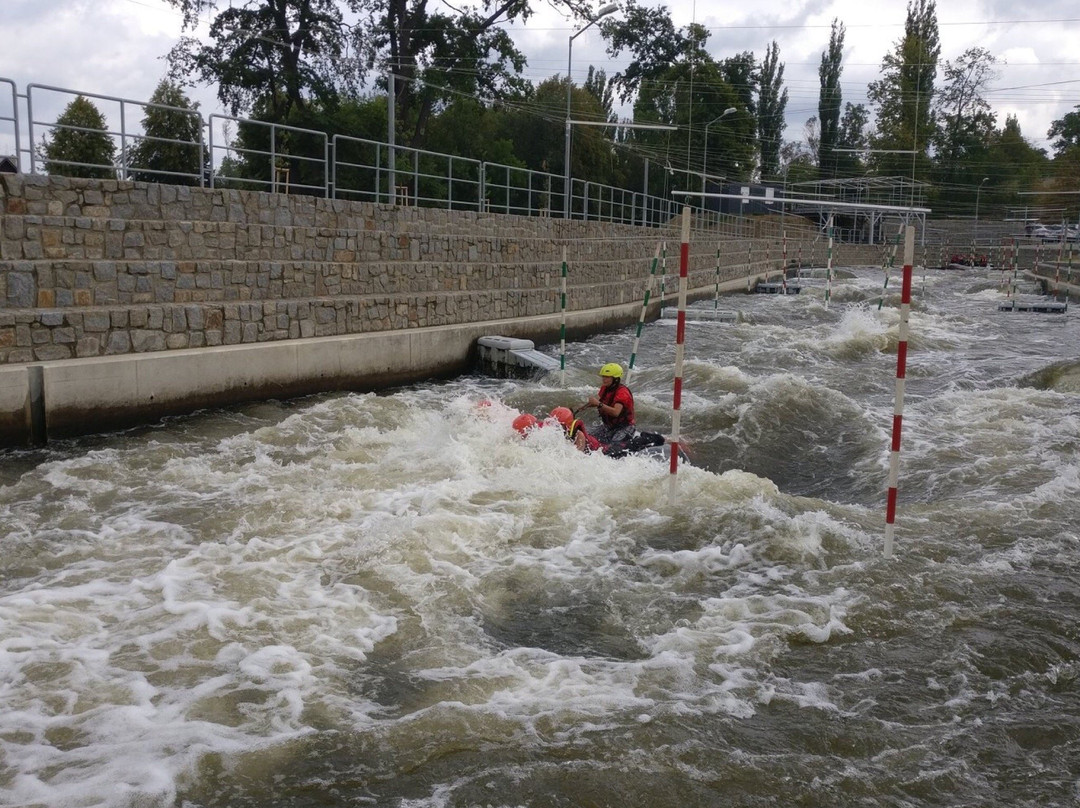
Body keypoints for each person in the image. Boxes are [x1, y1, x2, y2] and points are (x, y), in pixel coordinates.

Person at [586, 362, 635, 445]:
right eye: (603, 376)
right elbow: (598, 402)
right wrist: (582, 407)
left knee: (614, 447)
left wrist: (598, 404)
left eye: (607, 377)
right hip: (609, 426)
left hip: (624, 427)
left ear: (615, 379)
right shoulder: (605, 388)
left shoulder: (622, 393)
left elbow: (616, 412)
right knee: (587, 437)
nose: (604, 379)